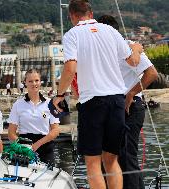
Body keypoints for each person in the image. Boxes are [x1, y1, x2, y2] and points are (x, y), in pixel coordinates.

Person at [52, 1, 143, 189]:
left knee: (93, 162)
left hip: (93, 102)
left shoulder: (72, 34)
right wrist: (136, 48)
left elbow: (70, 68)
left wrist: (59, 95)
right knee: (111, 160)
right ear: (91, 13)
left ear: (72, 16)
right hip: (117, 100)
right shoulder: (111, 31)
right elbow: (133, 62)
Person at [97, 15, 158, 189]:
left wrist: (131, 93)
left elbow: (151, 73)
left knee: (126, 156)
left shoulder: (128, 46)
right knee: (109, 157)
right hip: (111, 108)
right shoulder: (102, 51)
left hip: (129, 107)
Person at [8, 69, 60, 165]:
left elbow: (55, 131)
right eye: (30, 81)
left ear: (40, 82)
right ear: (25, 83)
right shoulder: (18, 104)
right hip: (24, 148)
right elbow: (11, 133)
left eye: (36, 80)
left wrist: (37, 145)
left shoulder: (51, 104)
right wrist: (23, 146)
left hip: (45, 148)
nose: (34, 83)